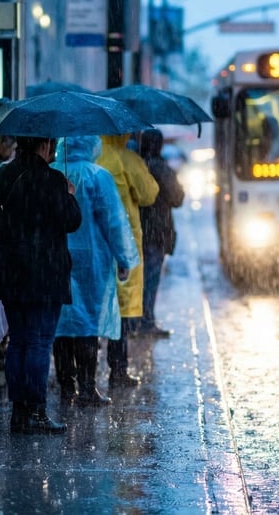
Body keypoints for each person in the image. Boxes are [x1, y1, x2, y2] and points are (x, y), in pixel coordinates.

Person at [0, 135, 82, 434]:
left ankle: (19, 412)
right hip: (46, 273)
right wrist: (69, 194)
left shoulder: (1, 175)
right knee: (40, 341)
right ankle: (37, 411)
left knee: (18, 340)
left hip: (13, 271)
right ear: (43, 145)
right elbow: (72, 222)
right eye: (51, 145)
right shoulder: (53, 179)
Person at [50, 136, 138, 407]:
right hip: (93, 260)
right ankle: (87, 388)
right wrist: (124, 258)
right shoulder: (99, 176)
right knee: (88, 322)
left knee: (62, 322)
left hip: (57, 258)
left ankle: (67, 386)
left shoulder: (53, 172)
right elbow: (113, 222)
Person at [97, 133, 158, 388]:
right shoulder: (127, 159)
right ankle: (118, 369)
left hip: (93, 238)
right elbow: (149, 194)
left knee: (88, 306)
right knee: (120, 308)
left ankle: (77, 375)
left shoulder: (93, 157)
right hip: (123, 237)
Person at [136, 129, 185, 338]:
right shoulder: (161, 168)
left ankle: (135, 321)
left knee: (137, 277)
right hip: (156, 230)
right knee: (150, 277)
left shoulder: (136, 165)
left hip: (137, 228)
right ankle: (146, 321)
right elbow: (178, 198)